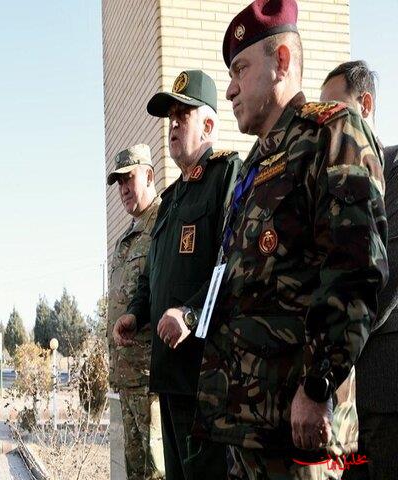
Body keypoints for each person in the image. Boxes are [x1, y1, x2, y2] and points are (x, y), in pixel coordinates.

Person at [185, 1, 387, 478]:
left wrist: (318, 386)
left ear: (280, 62)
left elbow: (356, 269)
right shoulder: (252, 167)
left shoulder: (332, 132)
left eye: (240, 69)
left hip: (302, 427)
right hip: (246, 426)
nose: (229, 89)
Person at [113, 70, 240, 480]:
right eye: (170, 118)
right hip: (168, 375)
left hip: (205, 377)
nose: (172, 126)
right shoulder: (170, 199)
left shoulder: (226, 176)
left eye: (182, 116)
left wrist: (190, 314)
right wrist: (136, 314)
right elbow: (152, 274)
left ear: (208, 126)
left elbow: (233, 263)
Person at [321, 60, 398, 480]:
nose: (327, 125)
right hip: (339, 401)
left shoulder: (396, 170)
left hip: (384, 387)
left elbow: (385, 278)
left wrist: (336, 347)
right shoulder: (328, 187)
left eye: (336, 111)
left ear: (365, 105)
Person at [106, 143, 160, 479]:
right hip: (127, 378)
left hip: (150, 379)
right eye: (119, 182)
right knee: (136, 471)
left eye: (130, 178)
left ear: (150, 176)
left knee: (156, 470)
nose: (124, 188)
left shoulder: (162, 223)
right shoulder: (126, 237)